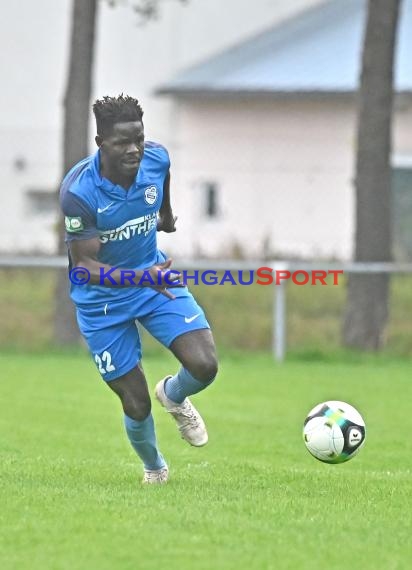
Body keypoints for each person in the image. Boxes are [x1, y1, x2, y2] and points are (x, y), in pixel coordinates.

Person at [60, 94, 218, 484]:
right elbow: (86, 268)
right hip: (103, 303)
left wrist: (164, 216)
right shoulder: (80, 193)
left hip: (153, 280)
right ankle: (155, 469)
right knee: (135, 402)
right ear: (100, 144)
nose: (134, 150)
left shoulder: (156, 157)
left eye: (139, 139)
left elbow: (162, 177)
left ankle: (175, 394)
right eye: (122, 143)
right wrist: (142, 278)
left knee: (204, 365)